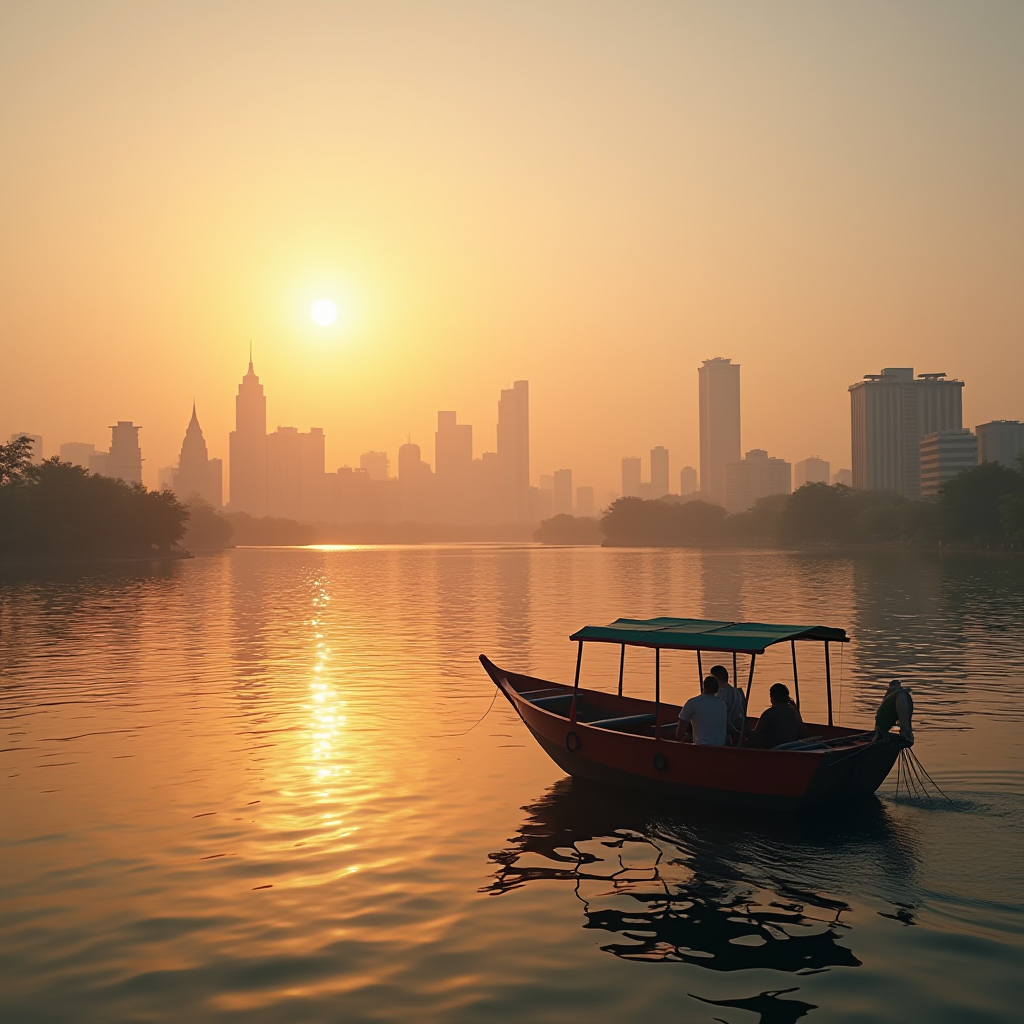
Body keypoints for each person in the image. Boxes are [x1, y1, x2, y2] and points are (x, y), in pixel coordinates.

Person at [677, 675, 728, 746]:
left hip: (701, 746)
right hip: (720, 746)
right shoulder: (722, 704)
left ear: (704, 686)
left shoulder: (692, 702)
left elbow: (680, 732)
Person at [751, 683, 803, 749]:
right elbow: (802, 730)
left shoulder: (769, 713)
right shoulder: (793, 710)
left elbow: (756, 734)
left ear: (772, 698)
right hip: (790, 745)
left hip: (773, 748)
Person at [710, 664, 746, 742]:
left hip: (728, 732)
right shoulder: (738, 692)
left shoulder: (720, 695)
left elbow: (721, 719)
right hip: (740, 726)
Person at [874, 679, 914, 745]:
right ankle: (906, 733)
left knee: (903, 695)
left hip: (882, 727)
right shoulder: (896, 693)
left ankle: (906, 733)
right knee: (900, 694)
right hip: (881, 727)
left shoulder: (900, 695)